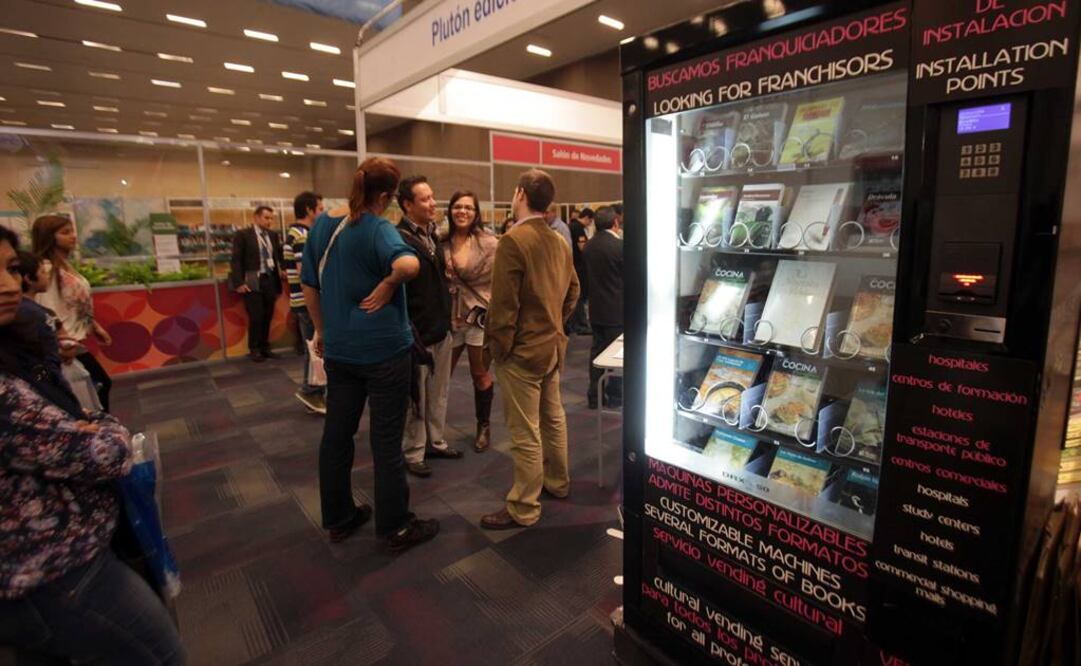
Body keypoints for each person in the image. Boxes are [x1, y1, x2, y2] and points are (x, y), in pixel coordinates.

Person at [0, 227, 186, 665]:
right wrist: (104, 429)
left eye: (10, 268)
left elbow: (70, 419)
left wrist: (87, 423)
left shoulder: (14, 347)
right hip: (51, 570)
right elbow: (101, 453)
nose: (9, 285)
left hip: (52, 556)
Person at [301, 157, 439, 551]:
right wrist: (389, 283)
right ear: (387, 196)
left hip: (340, 351)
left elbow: (309, 283)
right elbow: (409, 264)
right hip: (384, 352)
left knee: (336, 436)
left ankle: (339, 517)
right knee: (385, 440)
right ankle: (395, 526)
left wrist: (322, 330)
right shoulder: (378, 227)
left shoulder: (323, 224)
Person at [481, 169, 580, 530]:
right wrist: (555, 323)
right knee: (553, 419)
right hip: (552, 347)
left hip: (522, 352)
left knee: (525, 431)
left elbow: (503, 307)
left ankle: (523, 506)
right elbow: (574, 291)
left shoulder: (513, 240)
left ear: (520, 194)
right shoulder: (559, 241)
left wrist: (500, 349)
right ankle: (558, 482)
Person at [397, 175, 462, 478]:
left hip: (441, 328)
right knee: (417, 398)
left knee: (439, 393)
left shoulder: (433, 235)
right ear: (407, 205)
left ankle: (435, 442)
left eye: (432, 196)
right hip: (417, 333)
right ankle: (413, 451)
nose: (433, 203)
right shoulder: (398, 239)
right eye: (425, 199)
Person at [32, 214, 113, 411]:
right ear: (49, 236)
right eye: (65, 232)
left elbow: (74, 302)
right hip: (65, 344)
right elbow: (47, 308)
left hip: (75, 340)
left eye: (72, 231)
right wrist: (60, 341)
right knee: (96, 385)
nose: (73, 236)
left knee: (95, 386)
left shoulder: (64, 265)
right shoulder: (46, 269)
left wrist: (94, 326)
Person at [441, 190, 498, 452]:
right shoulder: (440, 240)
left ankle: (483, 427)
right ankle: (432, 431)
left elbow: (501, 280)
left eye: (468, 207)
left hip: (478, 317)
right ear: (450, 210)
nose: (462, 211)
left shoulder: (489, 244)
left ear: (476, 213)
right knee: (441, 375)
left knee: (479, 373)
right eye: (457, 207)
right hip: (450, 317)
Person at [285, 191, 327, 413]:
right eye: (320, 209)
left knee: (312, 348)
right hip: (308, 302)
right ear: (309, 210)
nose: (323, 213)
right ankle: (311, 391)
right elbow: (306, 273)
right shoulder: (302, 236)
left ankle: (314, 392)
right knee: (315, 349)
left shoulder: (294, 233)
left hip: (301, 301)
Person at [230, 206, 285, 362]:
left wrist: (284, 269)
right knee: (256, 316)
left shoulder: (273, 235)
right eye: (266, 218)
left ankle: (265, 347)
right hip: (252, 279)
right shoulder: (243, 235)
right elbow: (236, 260)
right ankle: (254, 348)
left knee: (268, 315)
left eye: (271, 218)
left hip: (270, 279)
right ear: (256, 217)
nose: (269, 221)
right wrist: (239, 282)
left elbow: (278, 255)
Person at [583, 206, 624, 409]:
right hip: (616, 310)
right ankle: (615, 396)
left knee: (597, 353)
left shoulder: (589, 246)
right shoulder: (619, 246)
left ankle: (594, 395)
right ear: (615, 222)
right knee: (617, 355)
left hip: (596, 309)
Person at [568, 207, 595, 336]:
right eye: (590, 221)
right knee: (580, 296)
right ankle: (581, 325)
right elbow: (582, 247)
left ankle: (576, 324)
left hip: (573, 265)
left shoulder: (571, 226)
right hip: (579, 266)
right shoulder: (578, 228)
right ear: (587, 218)